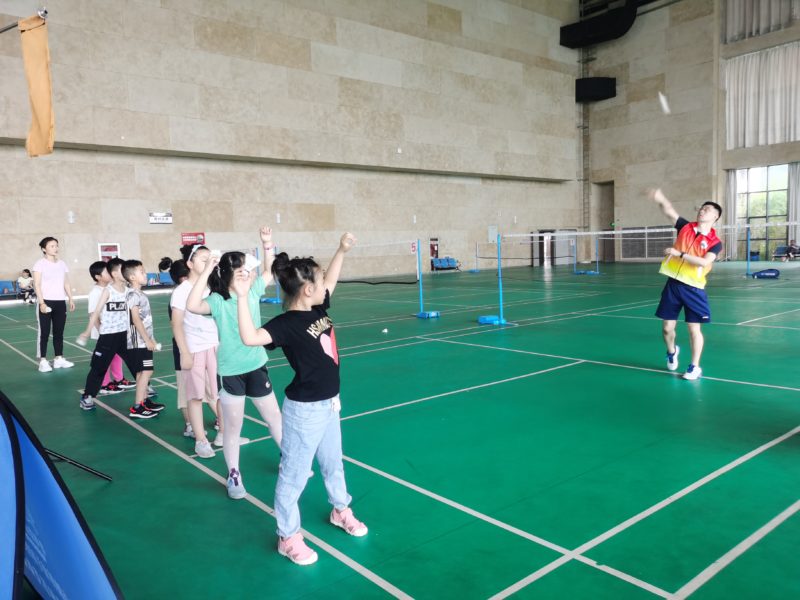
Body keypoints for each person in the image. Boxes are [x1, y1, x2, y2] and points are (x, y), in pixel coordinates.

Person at [235, 232, 367, 567]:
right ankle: (288, 536)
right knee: (293, 475)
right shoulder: (287, 324)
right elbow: (250, 337)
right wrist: (242, 297)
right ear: (307, 289)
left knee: (333, 463)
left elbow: (331, 280)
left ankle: (340, 510)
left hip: (330, 404)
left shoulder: (317, 306)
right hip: (304, 411)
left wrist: (341, 250)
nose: (325, 286)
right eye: (319, 282)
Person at [186, 227, 282, 499]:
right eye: (238, 269)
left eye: (245, 269)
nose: (244, 273)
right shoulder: (217, 300)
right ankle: (234, 474)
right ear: (226, 274)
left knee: (274, 417)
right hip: (230, 372)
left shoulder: (252, 291)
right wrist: (208, 268)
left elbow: (269, 270)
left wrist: (267, 244)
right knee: (233, 427)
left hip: (256, 366)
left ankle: (287, 457)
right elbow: (192, 305)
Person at [650, 189, 722, 380]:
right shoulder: (685, 227)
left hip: (694, 288)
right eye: (702, 208)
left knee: (693, 329)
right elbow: (668, 210)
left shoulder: (715, 242)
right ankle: (672, 351)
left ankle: (694, 366)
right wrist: (659, 197)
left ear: (715, 217)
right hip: (673, 284)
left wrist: (679, 254)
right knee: (667, 328)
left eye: (707, 209)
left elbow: (704, 262)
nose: (702, 211)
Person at [77, 258, 157, 413]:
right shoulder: (107, 291)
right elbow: (95, 313)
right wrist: (87, 331)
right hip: (108, 336)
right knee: (98, 367)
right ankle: (87, 396)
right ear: (114, 273)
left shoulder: (129, 291)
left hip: (126, 335)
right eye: (122, 269)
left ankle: (145, 390)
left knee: (136, 364)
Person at [170, 246, 223, 458]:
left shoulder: (213, 286)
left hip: (215, 346)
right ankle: (201, 441)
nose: (208, 262)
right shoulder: (182, 291)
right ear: (190, 264)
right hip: (194, 349)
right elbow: (176, 325)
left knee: (219, 394)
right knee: (195, 396)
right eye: (203, 259)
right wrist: (184, 353)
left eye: (210, 258)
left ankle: (224, 434)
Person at [122, 260, 166, 418]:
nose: (145, 274)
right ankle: (137, 407)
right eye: (142, 272)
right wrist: (147, 340)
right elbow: (135, 319)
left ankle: (144, 401)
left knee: (143, 371)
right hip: (138, 341)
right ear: (132, 277)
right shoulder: (133, 294)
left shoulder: (139, 294)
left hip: (143, 339)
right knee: (146, 371)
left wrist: (151, 338)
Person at [87, 261, 134, 395]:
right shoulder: (96, 292)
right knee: (104, 359)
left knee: (117, 357)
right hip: (104, 331)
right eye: (106, 272)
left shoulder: (115, 288)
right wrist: (101, 331)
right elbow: (93, 313)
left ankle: (119, 379)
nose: (109, 274)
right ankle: (105, 384)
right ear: (98, 277)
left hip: (117, 331)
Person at [32, 237, 75, 373]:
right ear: (44, 249)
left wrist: (70, 298)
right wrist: (42, 303)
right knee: (44, 332)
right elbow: (37, 285)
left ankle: (58, 359)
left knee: (59, 332)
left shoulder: (62, 264)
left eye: (56, 245)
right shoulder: (39, 264)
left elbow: (65, 282)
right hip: (45, 301)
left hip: (60, 302)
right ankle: (43, 361)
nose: (55, 248)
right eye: (51, 246)